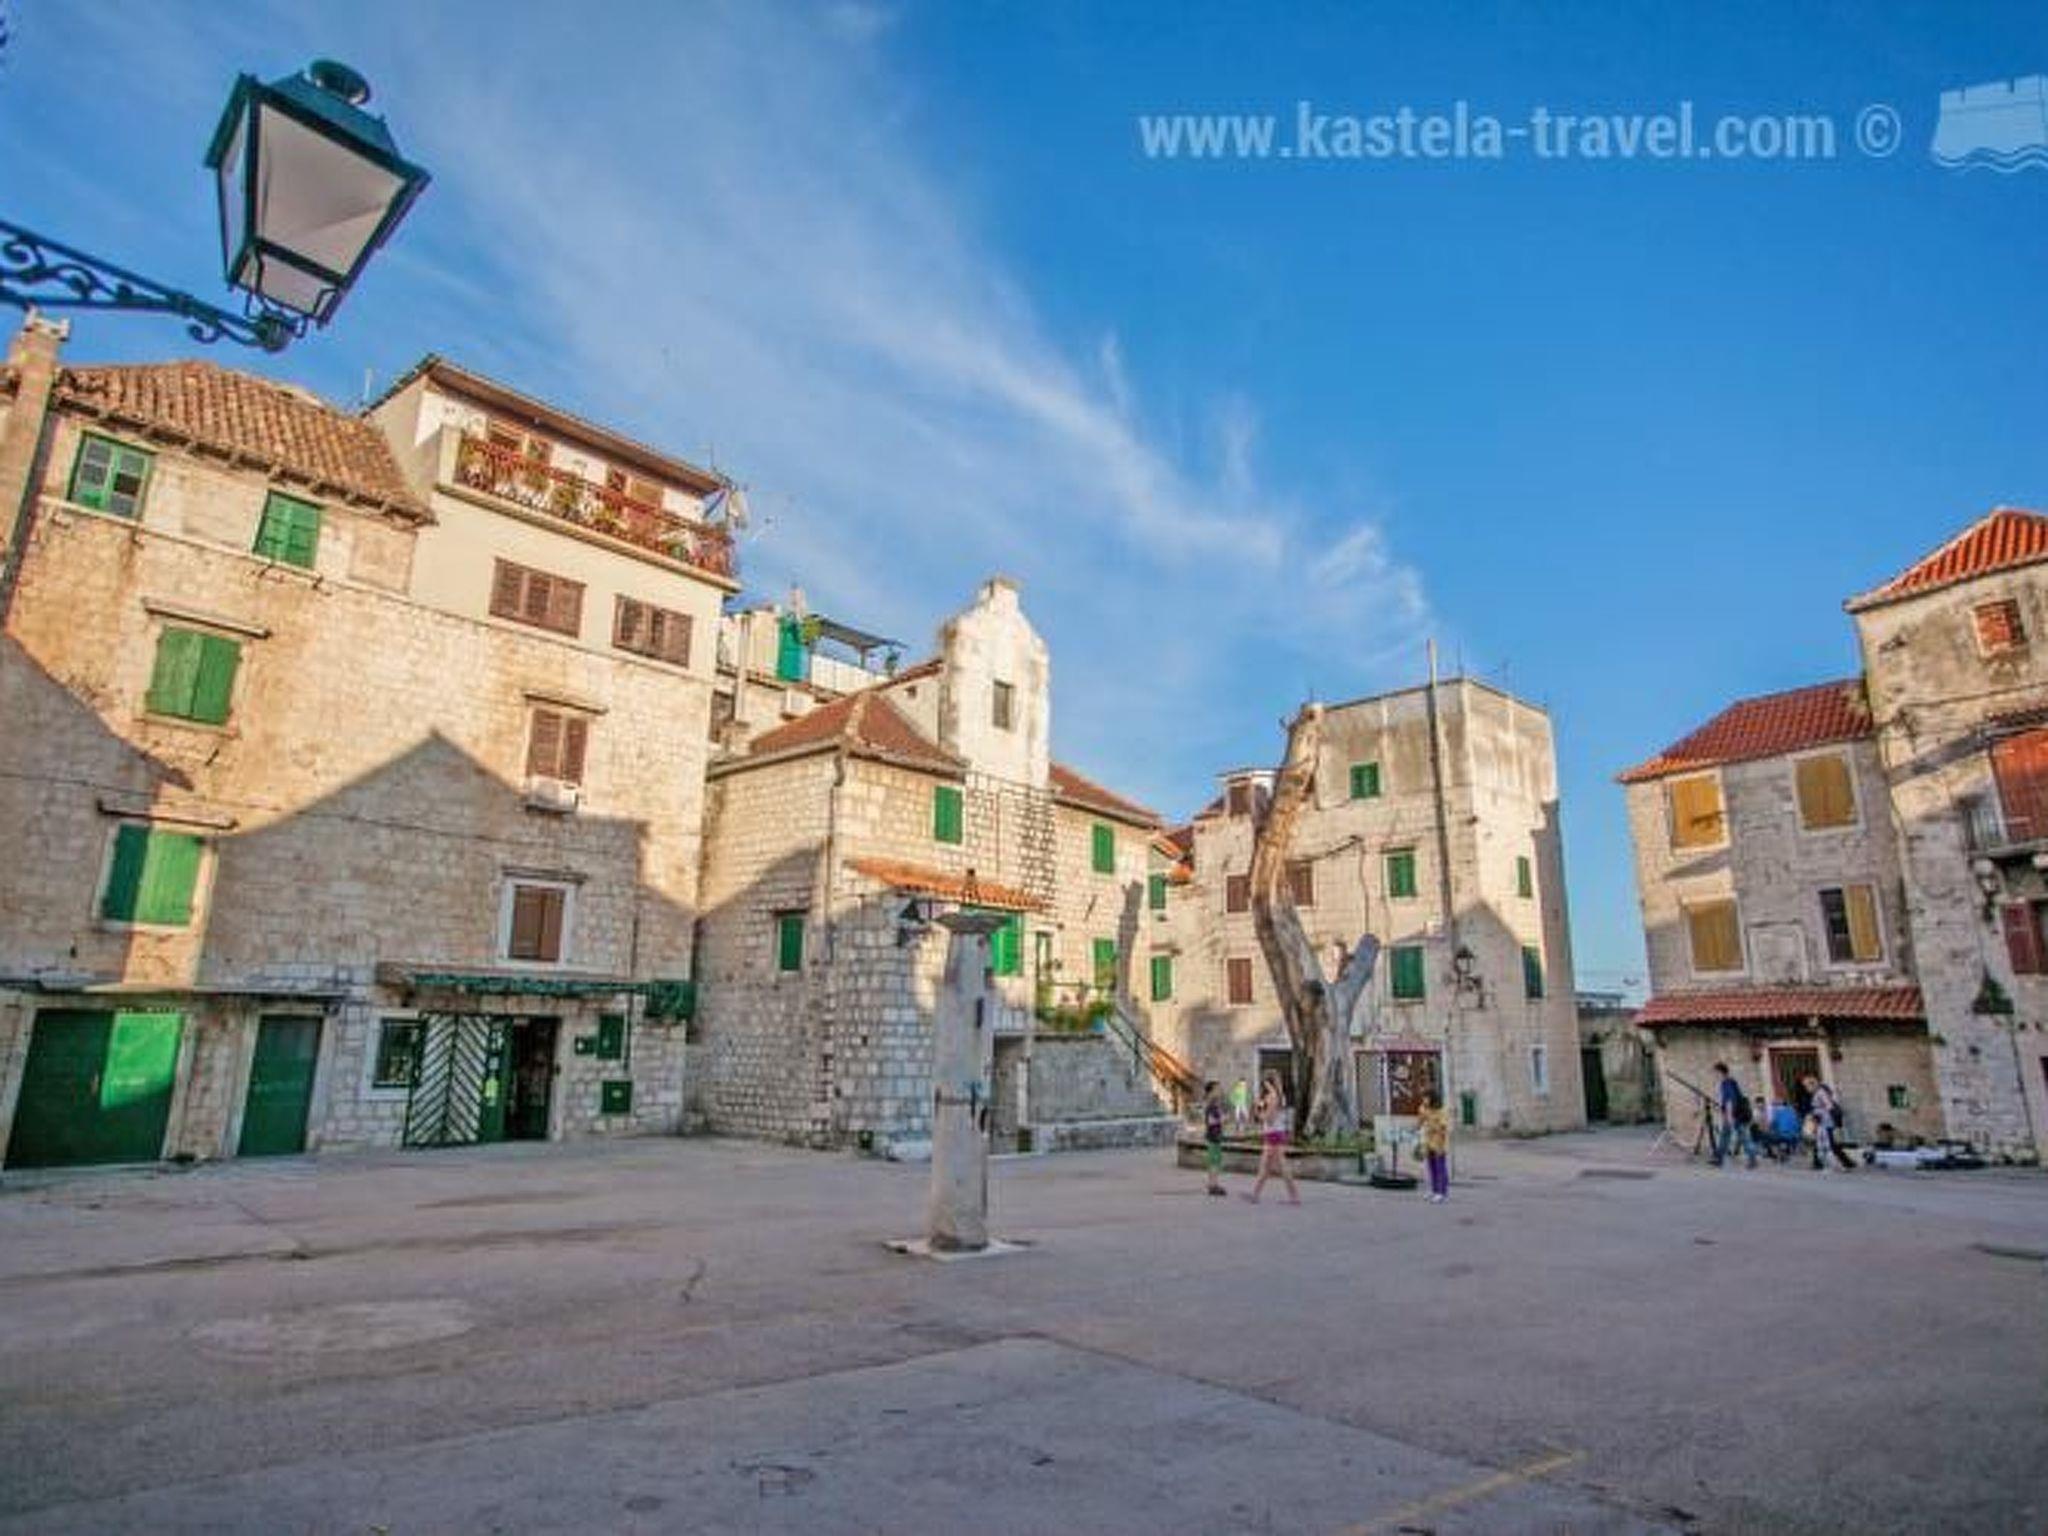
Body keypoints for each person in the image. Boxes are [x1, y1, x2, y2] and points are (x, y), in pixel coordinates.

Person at [1245, 1070, 1300, 1204]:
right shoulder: (1280, 1096)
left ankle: (1293, 1196)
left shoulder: (1272, 1097)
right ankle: (1256, 1194)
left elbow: (1269, 1119)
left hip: (1272, 1133)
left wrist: (1257, 1112)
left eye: (1263, 1082)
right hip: (1277, 1132)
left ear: (1266, 1082)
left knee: (1274, 1166)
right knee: (1268, 1167)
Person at [1805, 1077, 1857, 1170]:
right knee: (1820, 1142)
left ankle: (1847, 1162)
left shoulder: (1821, 1093)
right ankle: (1818, 1162)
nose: (1807, 1089)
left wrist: (1822, 1116)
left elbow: (1829, 1106)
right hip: (1821, 1121)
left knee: (1831, 1143)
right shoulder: (1817, 1094)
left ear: (1813, 1085)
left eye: (1807, 1086)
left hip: (1826, 1122)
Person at [1711, 1062, 1754, 1169]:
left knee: (1743, 1137)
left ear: (1720, 1072)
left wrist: (1729, 1116)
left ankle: (1752, 1159)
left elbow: (1730, 1100)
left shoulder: (1727, 1083)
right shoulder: (1730, 1082)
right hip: (1733, 1114)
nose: (1714, 1075)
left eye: (1715, 1072)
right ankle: (1719, 1158)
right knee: (1725, 1136)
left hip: (1734, 1115)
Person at [1416, 1092, 1451, 1203]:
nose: (1424, 1100)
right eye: (1423, 1098)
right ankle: (1434, 1190)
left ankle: (1442, 1192)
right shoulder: (1423, 1109)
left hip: (1439, 1141)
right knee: (1431, 1167)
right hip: (1428, 1141)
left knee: (1440, 1167)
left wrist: (1441, 1144)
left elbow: (1443, 1128)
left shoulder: (1441, 1111)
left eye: (1426, 1098)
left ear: (1432, 1098)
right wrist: (1417, 1127)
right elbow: (1419, 1122)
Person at [1201, 1080, 1228, 1197]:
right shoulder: (1211, 1105)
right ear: (1211, 1091)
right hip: (1213, 1136)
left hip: (1215, 1136)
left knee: (1215, 1161)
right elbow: (1210, 1121)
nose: (1219, 1091)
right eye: (1217, 1089)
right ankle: (1213, 1185)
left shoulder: (1214, 1104)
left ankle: (1213, 1184)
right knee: (1214, 1162)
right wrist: (1222, 1119)